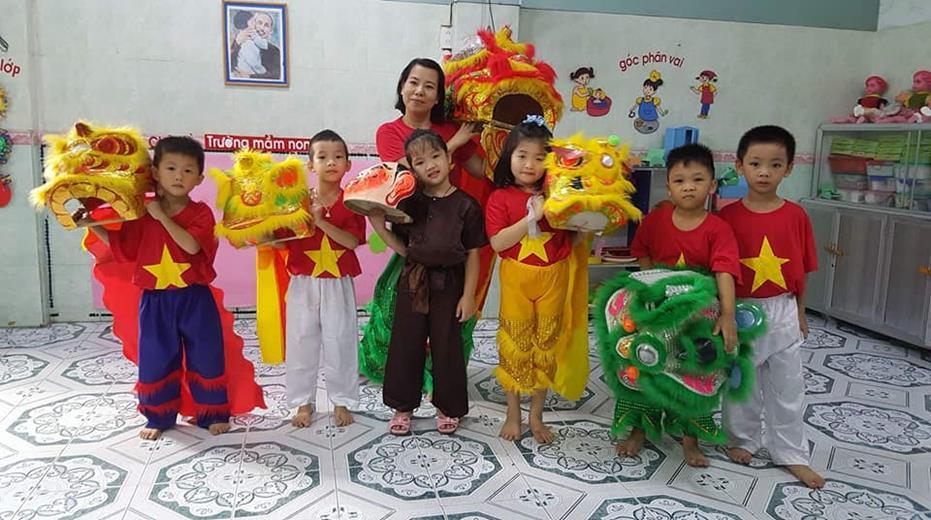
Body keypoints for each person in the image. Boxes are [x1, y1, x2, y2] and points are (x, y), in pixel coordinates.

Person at [81, 137, 234, 440]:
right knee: (156, 357)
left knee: (207, 354)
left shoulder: (201, 213)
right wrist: (91, 224)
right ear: (155, 172)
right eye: (171, 168)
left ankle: (213, 413)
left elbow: (191, 246)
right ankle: (158, 416)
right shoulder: (141, 213)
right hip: (155, 300)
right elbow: (124, 249)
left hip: (195, 297)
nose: (179, 176)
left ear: (199, 178)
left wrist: (161, 217)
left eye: (188, 170)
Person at [360, 58, 495, 388]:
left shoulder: (450, 129)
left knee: (450, 318)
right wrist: (455, 143)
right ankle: (400, 376)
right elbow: (406, 174)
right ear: (402, 87)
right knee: (402, 312)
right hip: (414, 233)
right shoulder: (389, 132)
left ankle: (442, 380)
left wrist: (505, 144)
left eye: (429, 86)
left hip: (451, 236)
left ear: (438, 97)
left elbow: (481, 171)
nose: (419, 91)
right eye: (413, 82)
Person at [621, 143, 741, 467]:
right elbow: (641, 251)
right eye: (680, 180)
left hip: (698, 316)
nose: (688, 187)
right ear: (669, 186)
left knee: (695, 372)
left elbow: (725, 270)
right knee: (646, 366)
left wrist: (728, 314)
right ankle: (639, 429)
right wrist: (651, 287)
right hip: (658, 313)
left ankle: (691, 439)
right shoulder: (656, 220)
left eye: (697, 180)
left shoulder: (719, 228)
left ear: (712, 185)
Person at [720, 125, 825, 489]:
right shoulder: (727, 218)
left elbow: (803, 268)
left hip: (783, 309)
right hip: (742, 311)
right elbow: (721, 271)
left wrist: (800, 312)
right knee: (741, 381)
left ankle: (791, 453)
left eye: (775, 164)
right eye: (755, 163)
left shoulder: (796, 216)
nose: (764, 172)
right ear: (740, 166)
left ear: (789, 168)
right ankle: (741, 439)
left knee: (788, 384)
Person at [368, 129, 487, 436]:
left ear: (449, 159)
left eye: (435, 156)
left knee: (447, 346)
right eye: (420, 162)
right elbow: (405, 249)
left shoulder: (467, 205)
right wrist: (379, 227)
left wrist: (469, 296)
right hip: (413, 281)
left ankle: (447, 407)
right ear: (412, 170)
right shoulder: (410, 204)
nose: (430, 165)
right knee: (405, 343)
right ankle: (402, 407)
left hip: (451, 285)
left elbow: (474, 254)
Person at [484, 116, 589, 444]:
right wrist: (533, 216)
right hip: (516, 278)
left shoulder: (559, 195)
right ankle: (513, 414)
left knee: (546, 344)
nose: (530, 164)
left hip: (555, 278)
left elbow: (572, 238)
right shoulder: (499, 197)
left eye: (539, 157)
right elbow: (498, 243)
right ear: (509, 157)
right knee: (515, 345)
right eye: (522, 155)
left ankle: (536, 416)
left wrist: (588, 224)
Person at [285, 130, 365, 428]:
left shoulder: (353, 202)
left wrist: (320, 222)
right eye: (322, 157)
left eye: (338, 157)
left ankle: (341, 401)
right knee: (300, 340)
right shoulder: (297, 201)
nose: (331, 162)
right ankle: (303, 402)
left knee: (340, 340)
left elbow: (352, 242)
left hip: (338, 282)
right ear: (310, 165)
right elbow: (281, 238)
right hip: (303, 281)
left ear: (348, 165)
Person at [231, 11, 280, 79]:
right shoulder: (239, 43)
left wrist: (251, 76)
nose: (262, 28)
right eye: (259, 23)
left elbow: (276, 75)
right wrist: (237, 43)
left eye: (266, 25)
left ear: (270, 31)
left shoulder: (274, 51)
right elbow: (228, 65)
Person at [232, 11, 269, 76]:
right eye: (253, 21)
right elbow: (254, 62)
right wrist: (262, 71)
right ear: (249, 23)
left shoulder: (245, 35)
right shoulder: (248, 41)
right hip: (248, 71)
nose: (255, 24)